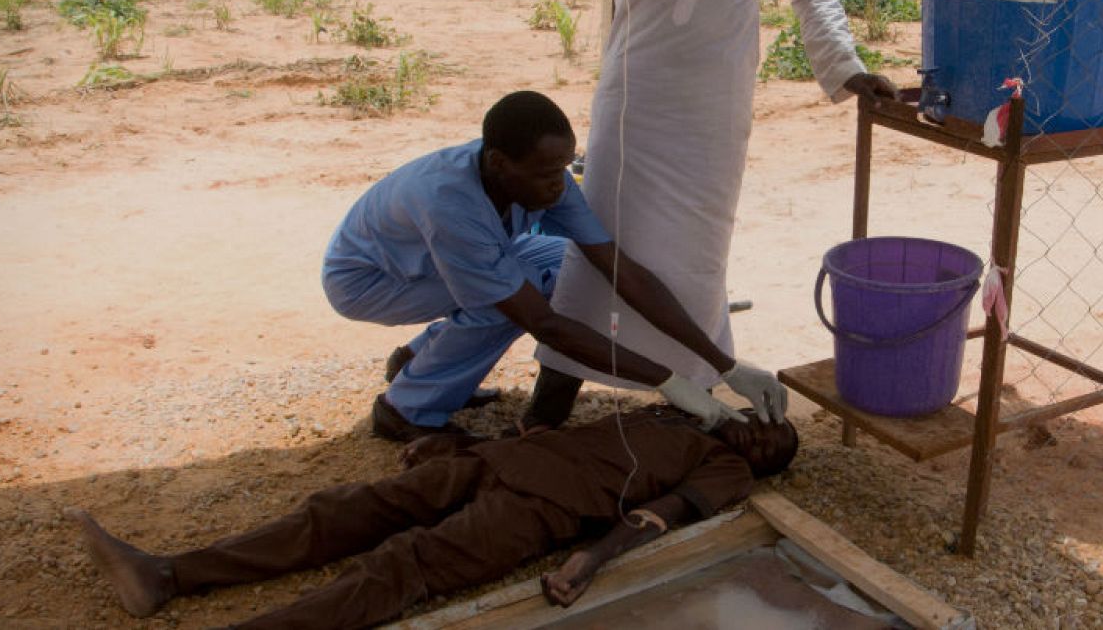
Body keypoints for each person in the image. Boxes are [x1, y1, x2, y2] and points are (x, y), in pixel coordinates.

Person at [533, 0, 898, 427]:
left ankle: (689, 407)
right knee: (601, 250)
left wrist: (845, 67)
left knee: (698, 261)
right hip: (637, 93)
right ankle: (547, 409)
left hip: (715, 103)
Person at [321, 90, 787, 442]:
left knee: (567, 270)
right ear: (500, 163)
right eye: (547, 174)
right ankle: (406, 409)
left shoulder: (543, 180)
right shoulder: (450, 206)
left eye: (564, 168)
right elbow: (541, 322)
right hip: (370, 281)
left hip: (429, 265)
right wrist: (665, 380)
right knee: (507, 300)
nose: (558, 185)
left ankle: (419, 360)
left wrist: (725, 364)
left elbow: (619, 270)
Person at [65, 407, 799, 629]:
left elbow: (656, 515)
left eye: (772, 446)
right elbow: (564, 438)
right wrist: (466, 442)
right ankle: (167, 573)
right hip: (499, 465)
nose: (759, 432)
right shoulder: (674, 413)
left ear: (762, 464)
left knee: (402, 567)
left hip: (539, 512)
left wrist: (589, 560)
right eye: (766, 421)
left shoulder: (725, 470)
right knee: (340, 513)